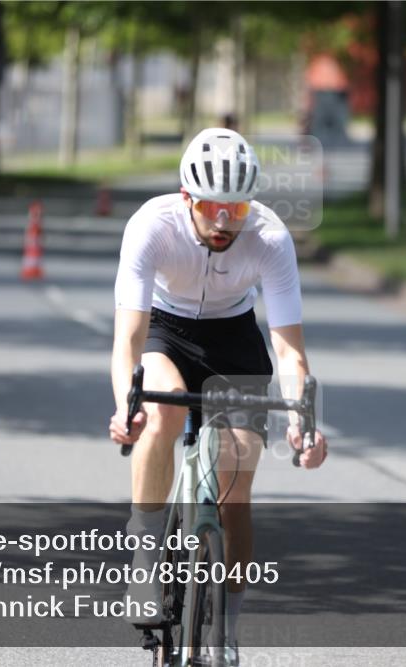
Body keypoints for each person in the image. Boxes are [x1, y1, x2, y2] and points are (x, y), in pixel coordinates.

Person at [109, 127, 328, 664]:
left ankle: (226, 630)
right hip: (167, 329)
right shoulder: (150, 227)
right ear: (188, 199)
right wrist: (125, 406)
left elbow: (290, 352)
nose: (226, 220)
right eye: (212, 206)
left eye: (238, 207)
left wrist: (304, 422)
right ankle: (145, 553)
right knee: (161, 412)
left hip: (234, 340)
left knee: (236, 490)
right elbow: (128, 341)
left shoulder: (271, 238)